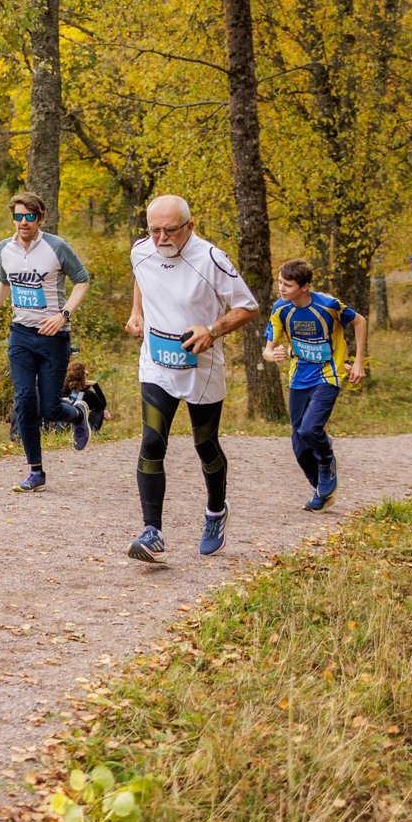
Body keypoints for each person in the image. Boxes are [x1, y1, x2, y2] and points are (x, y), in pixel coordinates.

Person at [123, 194, 259, 562]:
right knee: (152, 442)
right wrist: (137, 312)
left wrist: (212, 330)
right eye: (154, 230)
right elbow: (142, 276)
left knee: (205, 444)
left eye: (170, 230)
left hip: (201, 369)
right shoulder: (141, 250)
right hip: (157, 365)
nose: (161, 238)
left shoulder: (211, 259)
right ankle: (152, 532)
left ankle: (215, 512)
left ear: (190, 226)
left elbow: (248, 307)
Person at [0, 191, 93, 493]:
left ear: (39, 219)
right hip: (21, 335)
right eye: (18, 216)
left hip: (53, 337)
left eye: (29, 216)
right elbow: (4, 282)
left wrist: (63, 315)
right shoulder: (5, 248)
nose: (23, 222)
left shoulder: (57, 246)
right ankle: (36, 472)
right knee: (25, 401)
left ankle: (78, 413)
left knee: (50, 408)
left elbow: (82, 280)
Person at [262, 259, 366, 512]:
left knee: (310, 429)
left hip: (328, 376)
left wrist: (357, 363)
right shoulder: (280, 308)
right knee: (298, 444)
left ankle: (327, 460)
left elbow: (360, 322)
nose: (281, 289)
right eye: (280, 283)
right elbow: (268, 349)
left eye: (288, 285)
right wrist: (272, 355)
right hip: (299, 378)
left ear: (305, 286)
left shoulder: (328, 305)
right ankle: (321, 491)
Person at [64, 358, 107, 432]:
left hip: (62, 426)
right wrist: (95, 385)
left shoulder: (60, 390)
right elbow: (102, 404)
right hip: (80, 428)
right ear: (83, 377)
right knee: (99, 410)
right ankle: (92, 432)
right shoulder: (87, 394)